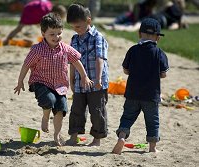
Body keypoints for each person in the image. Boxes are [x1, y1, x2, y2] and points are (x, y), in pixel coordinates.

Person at [14, 13, 93, 146]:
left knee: (61, 110)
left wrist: (85, 76)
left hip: (60, 85)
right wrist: (20, 81)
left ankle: (56, 134)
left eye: (59, 33)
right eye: (52, 34)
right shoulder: (37, 49)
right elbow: (26, 64)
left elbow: (76, 61)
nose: (56, 37)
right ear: (43, 33)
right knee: (49, 100)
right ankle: (45, 117)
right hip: (40, 82)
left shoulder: (65, 49)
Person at [112, 18, 169, 154]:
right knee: (152, 121)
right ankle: (152, 147)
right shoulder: (159, 53)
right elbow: (163, 74)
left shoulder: (133, 50)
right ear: (157, 38)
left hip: (132, 93)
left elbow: (126, 70)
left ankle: (122, 137)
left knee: (127, 117)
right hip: (151, 95)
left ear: (139, 34)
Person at [66, 3, 109, 146]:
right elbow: (72, 61)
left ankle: (97, 139)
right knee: (76, 110)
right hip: (79, 82)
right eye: (73, 27)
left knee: (97, 111)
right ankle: (74, 136)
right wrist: (71, 80)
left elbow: (100, 59)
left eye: (78, 26)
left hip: (97, 82)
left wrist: (97, 79)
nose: (76, 29)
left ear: (88, 21)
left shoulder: (98, 37)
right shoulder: (74, 39)